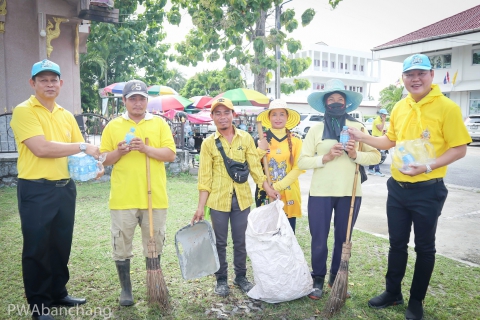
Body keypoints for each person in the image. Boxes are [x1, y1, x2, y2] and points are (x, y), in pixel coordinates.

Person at [348, 54, 471, 320]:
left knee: (425, 248)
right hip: (397, 188)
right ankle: (393, 292)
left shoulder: (447, 107)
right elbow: (388, 141)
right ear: (403, 78)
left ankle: (416, 301)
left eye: (421, 74)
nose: (415, 79)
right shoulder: (399, 107)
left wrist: (427, 167)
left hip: (428, 188)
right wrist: (361, 136)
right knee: (397, 244)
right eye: (409, 75)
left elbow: (459, 148)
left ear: (431, 76)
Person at [10, 59, 101, 320]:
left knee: (61, 244)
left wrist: (95, 163)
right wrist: (83, 148)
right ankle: (39, 305)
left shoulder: (65, 115)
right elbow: (42, 148)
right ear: (33, 83)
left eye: (54, 80)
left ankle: (58, 292)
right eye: (43, 80)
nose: (49, 84)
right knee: (37, 247)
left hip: (64, 189)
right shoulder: (24, 110)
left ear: (61, 83)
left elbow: (79, 147)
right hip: (36, 190)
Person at [297, 79, 380, 300]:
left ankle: (336, 277)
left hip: (350, 193)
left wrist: (355, 155)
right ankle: (318, 279)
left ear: (346, 104)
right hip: (320, 193)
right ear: (325, 104)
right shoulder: (315, 129)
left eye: (339, 99)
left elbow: (376, 155)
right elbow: (302, 162)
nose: (335, 103)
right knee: (319, 238)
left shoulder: (358, 128)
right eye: (331, 99)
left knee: (343, 239)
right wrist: (324, 157)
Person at [191, 97, 280, 297]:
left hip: (242, 199)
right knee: (220, 242)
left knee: (241, 240)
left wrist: (268, 189)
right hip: (218, 201)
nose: (222, 117)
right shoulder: (208, 144)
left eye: (226, 112)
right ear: (212, 117)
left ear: (233, 115)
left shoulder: (246, 139)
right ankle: (221, 279)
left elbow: (256, 170)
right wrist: (200, 207)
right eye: (218, 113)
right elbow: (205, 179)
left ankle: (241, 277)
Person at [100, 80, 176, 306]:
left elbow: (170, 154)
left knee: (154, 244)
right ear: (124, 101)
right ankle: (126, 289)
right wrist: (118, 152)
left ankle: (154, 285)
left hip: (155, 197)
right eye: (132, 98)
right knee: (122, 245)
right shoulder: (113, 126)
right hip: (123, 198)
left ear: (147, 101)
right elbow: (103, 160)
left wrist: (145, 148)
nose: (137, 103)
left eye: (142, 98)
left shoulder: (160, 124)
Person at [255, 98, 304, 233]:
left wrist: (276, 187)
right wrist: (260, 150)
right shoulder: (261, 139)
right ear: (269, 117)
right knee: (267, 236)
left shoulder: (296, 140)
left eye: (282, 114)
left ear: (287, 117)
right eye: (274, 114)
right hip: (265, 193)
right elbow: (253, 167)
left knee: (287, 237)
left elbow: (298, 168)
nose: (278, 118)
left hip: (288, 195)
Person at [367, 108, 389, 177]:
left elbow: (383, 130)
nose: (385, 116)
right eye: (383, 115)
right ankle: (377, 170)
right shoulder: (377, 120)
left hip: (379, 138)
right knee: (377, 154)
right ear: (380, 115)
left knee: (375, 154)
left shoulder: (382, 121)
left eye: (385, 115)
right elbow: (380, 128)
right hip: (376, 138)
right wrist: (383, 120)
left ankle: (370, 169)